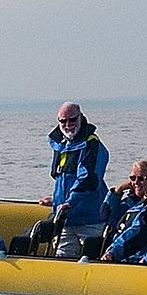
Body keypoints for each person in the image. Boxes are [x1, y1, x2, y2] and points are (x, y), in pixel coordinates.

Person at [39, 102, 109, 258]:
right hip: (67, 221)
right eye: (63, 121)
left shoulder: (92, 145)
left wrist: (70, 202)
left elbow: (88, 180)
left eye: (72, 119)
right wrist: (57, 200)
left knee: (91, 261)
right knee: (62, 261)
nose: (67, 124)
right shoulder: (61, 146)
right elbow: (62, 179)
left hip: (91, 220)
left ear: (81, 117)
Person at [100, 160, 147, 263]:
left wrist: (113, 253)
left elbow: (137, 232)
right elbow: (106, 215)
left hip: (136, 259)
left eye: (141, 178)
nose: (136, 182)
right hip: (120, 256)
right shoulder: (130, 204)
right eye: (132, 178)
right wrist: (118, 190)